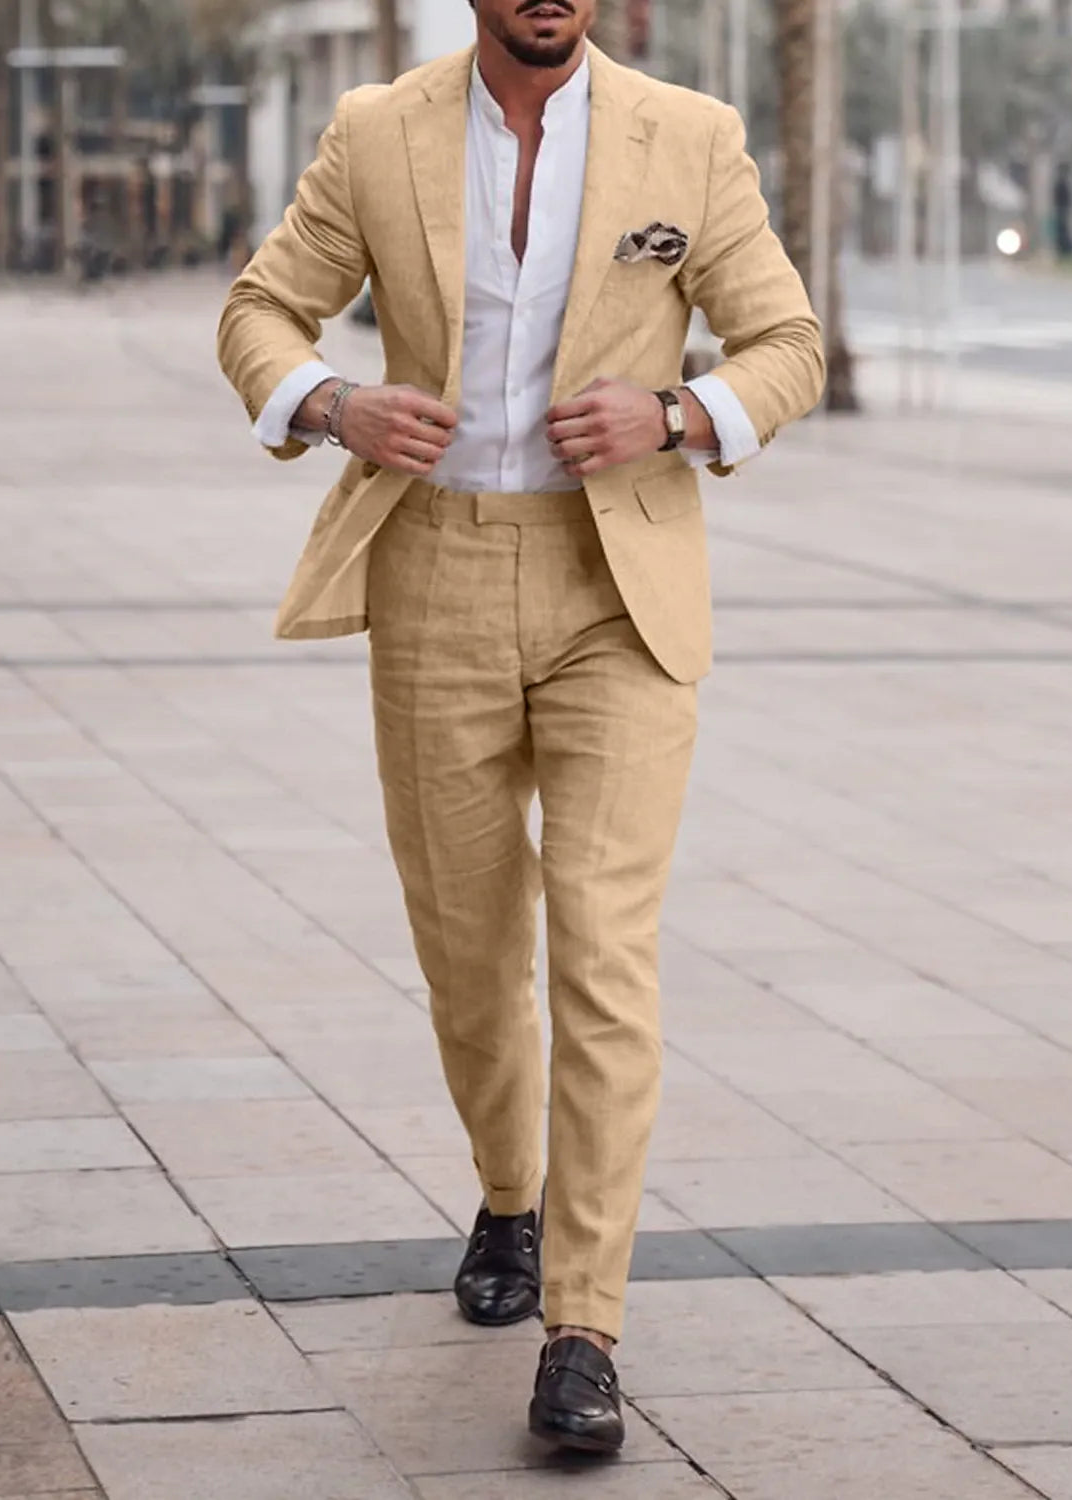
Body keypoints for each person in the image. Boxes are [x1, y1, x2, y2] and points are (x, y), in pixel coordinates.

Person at [218, 0, 823, 1455]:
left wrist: (679, 415)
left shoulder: (693, 136)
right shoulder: (378, 132)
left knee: (604, 942)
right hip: (435, 566)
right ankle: (509, 1192)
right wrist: (336, 401)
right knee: (470, 943)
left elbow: (787, 340)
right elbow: (258, 311)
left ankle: (583, 1328)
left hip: (617, 583)